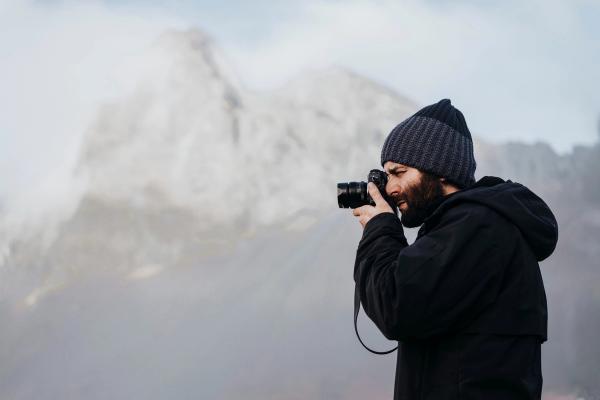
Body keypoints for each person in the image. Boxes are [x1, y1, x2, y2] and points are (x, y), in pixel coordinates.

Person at [351, 99, 558, 400]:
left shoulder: (479, 227)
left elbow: (395, 304)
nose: (390, 188)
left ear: (440, 169)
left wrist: (380, 226)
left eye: (399, 172)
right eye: (386, 176)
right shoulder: (466, 227)